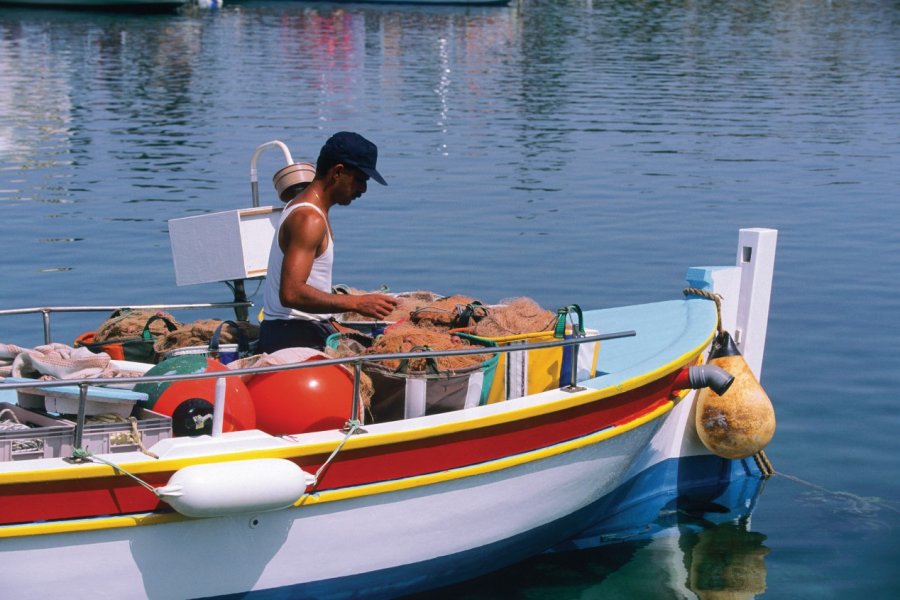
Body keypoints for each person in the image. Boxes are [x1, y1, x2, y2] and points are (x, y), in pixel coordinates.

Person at [259, 132, 400, 352]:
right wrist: (357, 303)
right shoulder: (309, 219)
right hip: (292, 338)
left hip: (304, 328)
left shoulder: (309, 208)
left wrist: (337, 326)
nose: (363, 189)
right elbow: (291, 293)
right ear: (338, 172)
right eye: (360, 179)